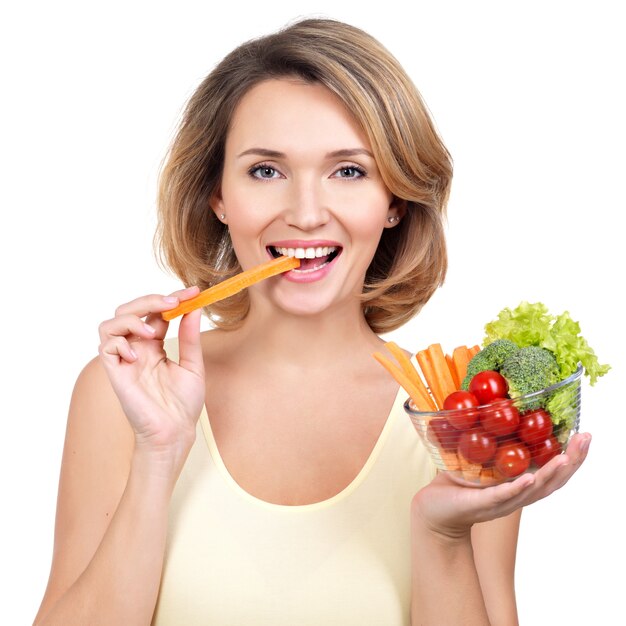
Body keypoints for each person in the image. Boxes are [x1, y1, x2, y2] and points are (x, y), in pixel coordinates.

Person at [33, 17, 591, 626]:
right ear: (217, 194)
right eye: (265, 171)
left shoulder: (465, 418)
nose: (305, 214)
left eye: (348, 171)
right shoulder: (122, 396)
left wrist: (446, 539)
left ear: (394, 201)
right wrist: (158, 455)